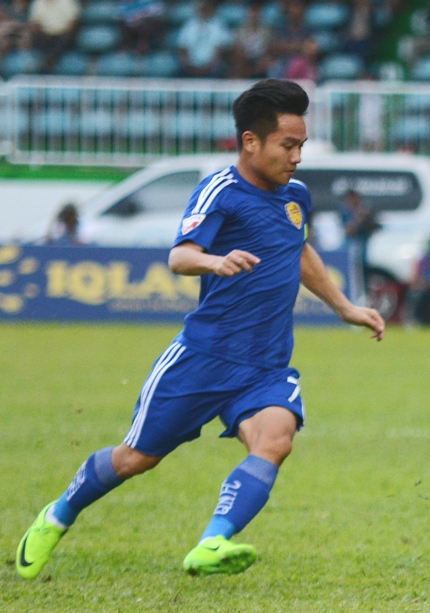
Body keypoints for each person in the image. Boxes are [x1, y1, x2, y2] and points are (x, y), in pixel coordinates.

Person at [15, 80, 386, 581]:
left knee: (275, 440)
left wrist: (344, 306)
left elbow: (298, 251)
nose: (298, 157)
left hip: (267, 364)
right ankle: (57, 515)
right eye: (288, 146)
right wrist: (215, 260)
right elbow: (179, 255)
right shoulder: (221, 191)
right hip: (204, 358)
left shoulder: (295, 196)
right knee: (136, 459)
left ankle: (212, 542)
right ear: (251, 142)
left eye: (300, 145)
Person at [176, 0, 231, 78]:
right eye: (201, 9)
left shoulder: (219, 26)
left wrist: (207, 68)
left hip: (212, 68)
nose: (203, 11)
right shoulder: (189, 26)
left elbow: (220, 52)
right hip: (190, 67)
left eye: (206, 9)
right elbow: (182, 48)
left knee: (220, 71)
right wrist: (189, 67)